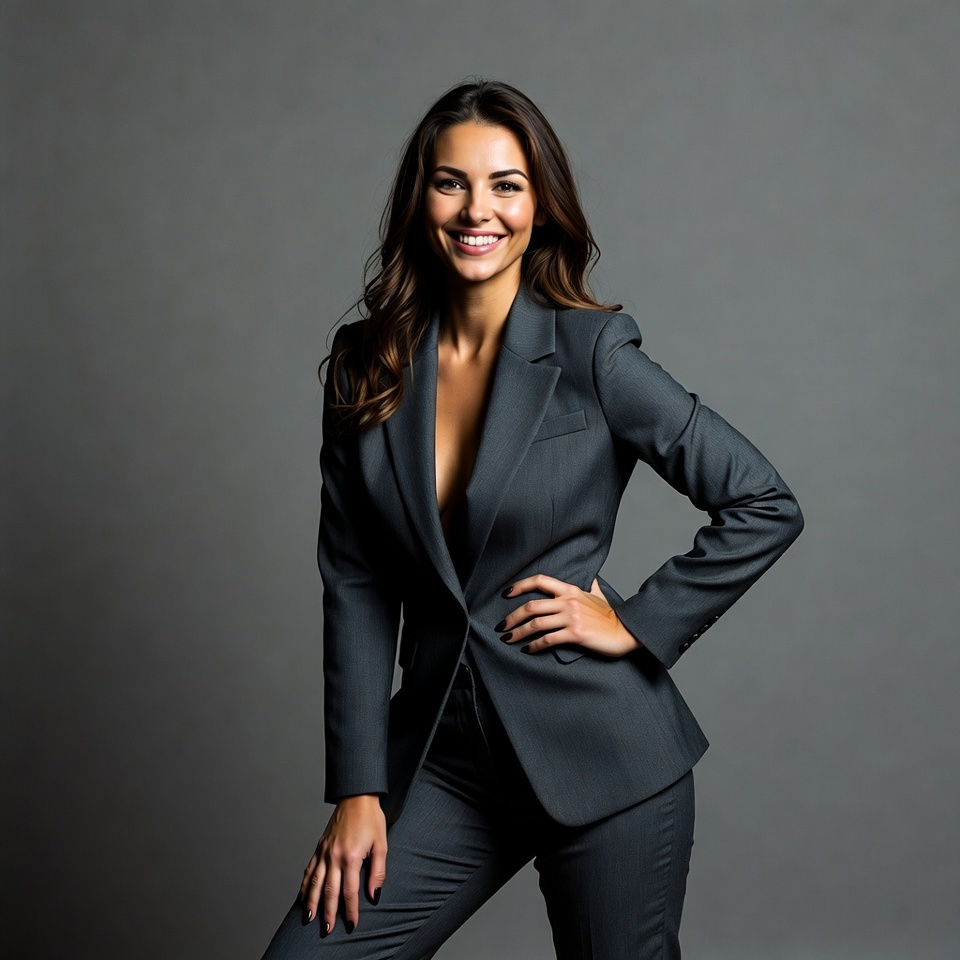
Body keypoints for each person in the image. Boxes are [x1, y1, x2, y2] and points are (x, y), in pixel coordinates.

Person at [261, 79, 803, 960]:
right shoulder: (366, 368)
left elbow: (764, 500)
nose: (479, 210)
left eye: (507, 184)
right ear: (419, 199)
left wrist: (633, 623)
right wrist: (359, 789)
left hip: (604, 755)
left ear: (541, 203)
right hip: (446, 760)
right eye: (452, 182)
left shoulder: (594, 354)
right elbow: (356, 588)